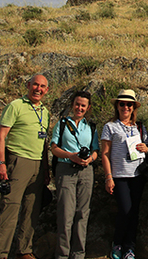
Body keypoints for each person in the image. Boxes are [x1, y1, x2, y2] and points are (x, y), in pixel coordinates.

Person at [0, 74, 52, 259]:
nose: (38, 89)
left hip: (38, 165)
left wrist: (46, 169)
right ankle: (1, 254)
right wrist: (1, 163)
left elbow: (43, 143)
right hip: (18, 161)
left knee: (31, 210)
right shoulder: (16, 106)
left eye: (42, 86)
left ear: (46, 90)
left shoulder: (45, 111)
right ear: (28, 85)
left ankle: (24, 251)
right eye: (35, 85)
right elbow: (1, 136)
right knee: (10, 208)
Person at [49, 91, 99, 259]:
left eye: (83, 105)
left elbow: (96, 150)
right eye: (77, 104)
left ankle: (78, 254)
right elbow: (54, 148)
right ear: (72, 105)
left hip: (86, 171)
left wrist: (89, 159)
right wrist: (70, 155)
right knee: (65, 213)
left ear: (88, 108)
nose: (79, 108)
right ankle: (62, 254)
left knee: (83, 213)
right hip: (66, 169)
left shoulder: (91, 126)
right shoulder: (62, 124)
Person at [101, 89, 148, 259]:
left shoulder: (140, 127)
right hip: (120, 175)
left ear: (134, 107)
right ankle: (117, 243)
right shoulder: (110, 126)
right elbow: (105, 153)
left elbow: (147, 148)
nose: (126, 107)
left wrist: (146, 148)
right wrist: (108, 177)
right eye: (122, 104)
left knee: (134, 212)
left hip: (137, 175)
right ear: (117, 106)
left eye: (129, 104)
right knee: (125, 210)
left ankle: (130, 247)